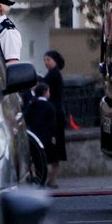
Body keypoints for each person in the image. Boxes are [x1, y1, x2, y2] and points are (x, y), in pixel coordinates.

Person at [42, 50, 68, 187]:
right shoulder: (54, 74)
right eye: (45, 60)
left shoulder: (53, 75)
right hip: (57, 113)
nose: (46, 63)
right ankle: (52, 178)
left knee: (53, 147)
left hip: (55, 115)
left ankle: (52, 179)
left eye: (48, 60)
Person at [24, 81, 57, 186]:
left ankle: (37, 177)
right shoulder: (49, 106)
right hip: (46, 135)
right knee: (49, 158)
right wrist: (53, 135)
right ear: (45, 92)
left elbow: (26, 118)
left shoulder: (32, 104)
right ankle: (48, 179)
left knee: (36, 158)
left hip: (34, 134)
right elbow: (52, 122)